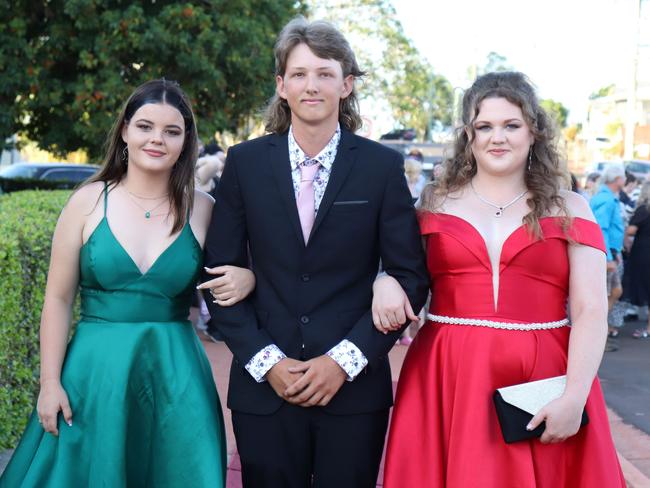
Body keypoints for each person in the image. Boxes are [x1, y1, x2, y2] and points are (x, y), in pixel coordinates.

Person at [202, 17, 429, 488]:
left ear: (346, 85)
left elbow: (410, 275)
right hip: (264, 388)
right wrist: (269, 363)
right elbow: (218, 276)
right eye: (300, 74)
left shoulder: (381, 167)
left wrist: (342, 362)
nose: (312, 85)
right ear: (281, 85)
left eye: (325, 74)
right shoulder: (244, 163)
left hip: (353, 390)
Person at [0, 79, 256, 487]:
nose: (157, 139)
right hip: (92, 374)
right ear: (124, 131)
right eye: (145, 126)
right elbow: (59, 298)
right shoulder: (87, 201)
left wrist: (248, 275)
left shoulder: (205, 208)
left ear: (186, 141)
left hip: (176, 376)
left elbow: (246, 267)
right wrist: (49, 383)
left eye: (172, 131)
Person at [373, 72, 624, 487]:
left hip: (546, 377)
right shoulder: (433, 202)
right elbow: (405, 274)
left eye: (511, 125)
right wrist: (384, 282)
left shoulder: (572, 207)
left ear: (534, 132)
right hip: (446, 374)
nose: (497, 138)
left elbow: (591, 308)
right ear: (469, 135)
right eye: (484, 126)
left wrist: (574, 396)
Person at [590, 164, 626, 346]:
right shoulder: (607, 199)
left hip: (610, 252)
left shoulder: (608, 197)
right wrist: (607, 258)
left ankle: (599, 332)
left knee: (615, 291)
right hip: (606, 254)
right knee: (602, 297)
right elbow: (600, 228)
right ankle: (596, 338)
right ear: (617, 180)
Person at [624, 181, 650, 339]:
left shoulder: (644, 210)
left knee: (646, 289)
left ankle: (648, 328)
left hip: (644, 254)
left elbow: (631, 230)